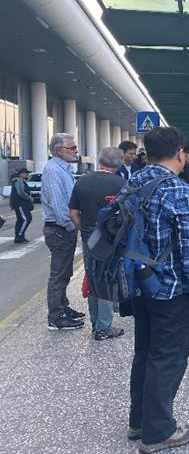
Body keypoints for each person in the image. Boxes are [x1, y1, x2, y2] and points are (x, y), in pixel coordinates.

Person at [127, 126, 189, 453]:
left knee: (145, 353)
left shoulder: (133, 182)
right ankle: (158, 432)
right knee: (168, 358)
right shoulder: (180, 191)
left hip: (139, 284)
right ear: (180, 153)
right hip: (171, 289)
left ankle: (139, 421)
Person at [69, 147, 126, 341]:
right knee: (108, 278)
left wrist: (85, 230)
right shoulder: (122, 184)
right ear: (119, 164)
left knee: (93, 277)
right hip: (112, 239)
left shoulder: (82, 181)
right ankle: (104, 326)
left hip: (89, 237)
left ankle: (96, 322)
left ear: (100, 160)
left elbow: (73, 214)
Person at [42, 133, 84, 331]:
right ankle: (56, 317)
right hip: (60, 229)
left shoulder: (63, 169)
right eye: (72, 148)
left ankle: (63, 307)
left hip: (64, 229)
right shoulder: (53, 170)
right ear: (59, 151)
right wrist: (73, 226)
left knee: (65, 271)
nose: (76, 151)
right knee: (59, 274)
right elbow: (59, 207)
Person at [10, 168, 33, 243]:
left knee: (21, 219)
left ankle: (20, 236)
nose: (27, 175)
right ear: (21, 174)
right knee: (26, 219)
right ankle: (19, 236)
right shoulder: (18, 181)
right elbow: (21, 192)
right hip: (20, 204)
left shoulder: (21, 181)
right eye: (26, 173)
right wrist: (29, 198)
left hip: (22, 204)